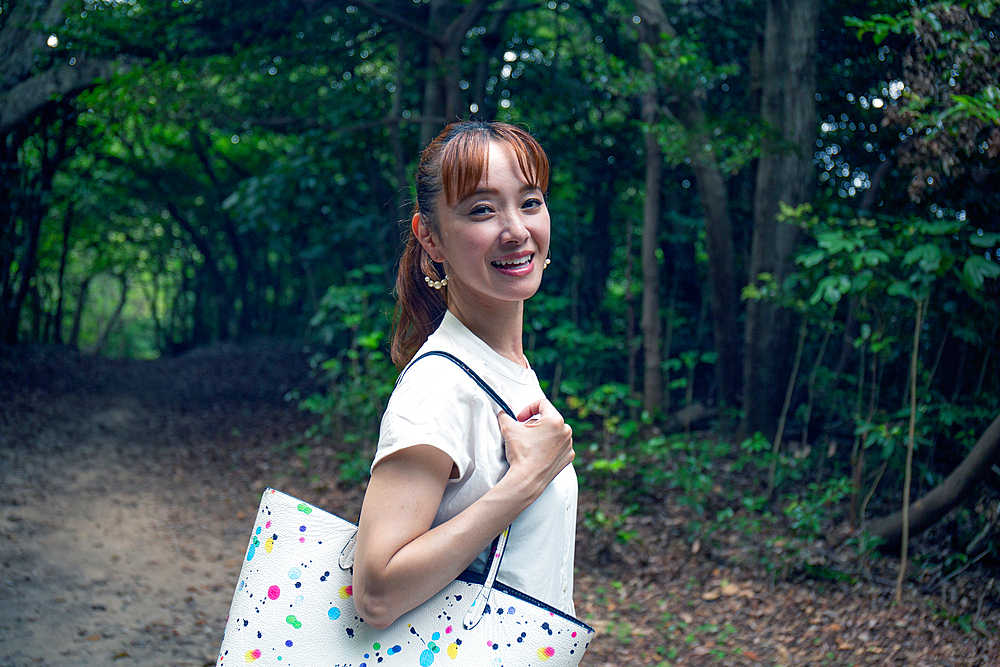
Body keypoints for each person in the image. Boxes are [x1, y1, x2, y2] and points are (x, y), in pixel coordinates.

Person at [352, 121, 578, 630]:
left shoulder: (505, 369)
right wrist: (524, 482)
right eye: (481, 210)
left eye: (530, 202)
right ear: (430, 238)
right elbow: (376, 592)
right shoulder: (438, 387)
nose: (517, 230)